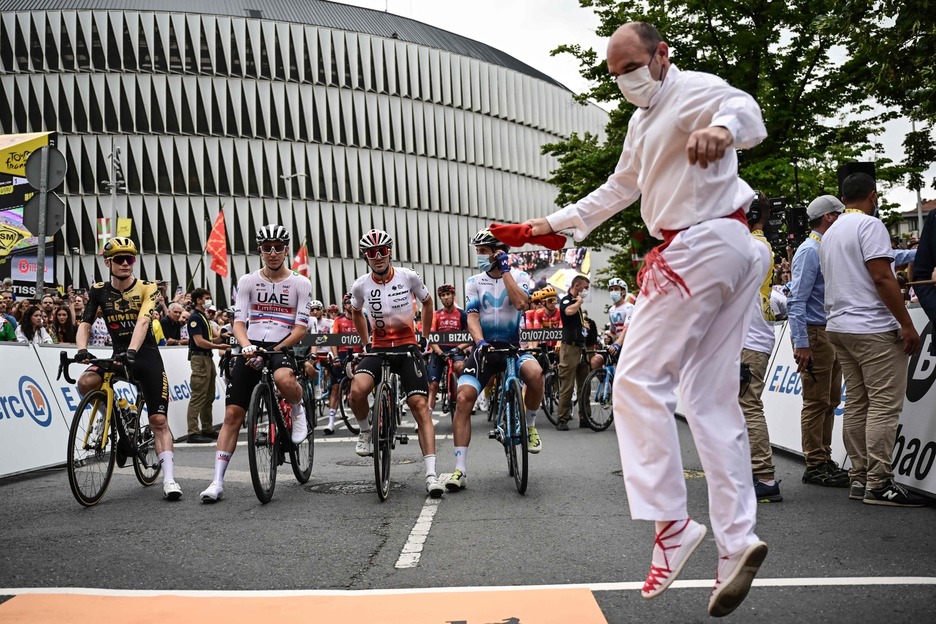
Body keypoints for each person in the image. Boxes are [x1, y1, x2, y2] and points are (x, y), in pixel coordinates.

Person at [525, 22, 770, 616]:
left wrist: (722, 129)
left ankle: (671, 524)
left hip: (700, 246)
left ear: (663, 55)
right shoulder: (641, 123)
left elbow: (748, 114)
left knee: (636, 382)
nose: (624, 81)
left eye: (631, 65)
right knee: (709, 399)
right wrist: (546, 226)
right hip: (731, 247)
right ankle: (736, 541)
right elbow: (618, 189)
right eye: (614, 74)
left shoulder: (694, 91)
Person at [819, 173, 925, 507]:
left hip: (839, 325)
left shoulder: (830, 231)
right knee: (882, 404)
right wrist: (906, 323)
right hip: (871, 325)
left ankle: (860, 476)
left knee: (858, 402)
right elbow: (882, 277)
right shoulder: (869, 225)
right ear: (873, 195)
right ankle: (879, 483)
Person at [199, 225, 312, 503]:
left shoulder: (300, 282)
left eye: (278, 247)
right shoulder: (248, 280)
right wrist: (246, 344)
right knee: (232, 415)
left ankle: (297, 410)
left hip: (281, 344)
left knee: (285, 380)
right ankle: (217, 481)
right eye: (266, 248)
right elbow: (238, 322)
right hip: (251, 345)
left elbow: (301, 327)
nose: (272, 253)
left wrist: (279, 348)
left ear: (286, 249)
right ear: (259, 250)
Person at [74, 237, 181, 500]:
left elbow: (144, 322)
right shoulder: (98, 290)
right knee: (85, 383)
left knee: (158, 421)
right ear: (107, 262)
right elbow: (85, 322)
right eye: (119, 259)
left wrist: (132, 351)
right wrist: (80, 349)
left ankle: (169, 479)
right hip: (118, 355)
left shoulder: (147, 287)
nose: (125, 263)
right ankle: (119, 410)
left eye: (129, 258)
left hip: (145, 357)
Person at [442, 228, 544, 492]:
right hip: (486, 348)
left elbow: (521, 303)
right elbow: (473, 316)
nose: (479, 256)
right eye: (477, 251)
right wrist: (479, 342)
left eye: (483, 251)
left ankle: (530, 426)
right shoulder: (474, 280)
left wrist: (506, 271)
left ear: (499, 251)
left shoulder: (521, 276)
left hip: (514, 348)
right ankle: (459, 470)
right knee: (463, 398)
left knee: (535, 375)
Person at [348, 228, 444, 498]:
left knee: (419, 406)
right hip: (378, 348)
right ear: (365, 256)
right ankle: (366, 432)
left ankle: (431, 475)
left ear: (390, 251)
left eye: (382, 251)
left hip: (407, 347)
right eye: (371, 252)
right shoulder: (360, 285)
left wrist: (424, 337)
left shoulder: (408, 276)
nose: (378, 256)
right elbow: (356, 311)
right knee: (357, 389)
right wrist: (365, 340)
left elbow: (427, 303)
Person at [788, 195, 849, 488]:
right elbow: (796, 299)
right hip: (814, 333)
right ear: (829, 218)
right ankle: (815, 462)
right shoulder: (810, 251)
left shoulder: (822, 247)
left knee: (831, 400)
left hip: (827, 332)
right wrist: (801, 342)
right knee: (816, 401)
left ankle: (822, 457)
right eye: (841, 214)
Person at [740, 195, 781, 503]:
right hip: (749, 337)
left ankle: (764, 477)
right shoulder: (756, 244)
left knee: (747, 405)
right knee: (739, 406)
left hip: (748, 341)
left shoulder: (751, 246)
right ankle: (750, 473)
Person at [185, 288, 230, 444]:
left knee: (209, 395)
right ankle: (193, 431)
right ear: (198, 300)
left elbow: (208, 341)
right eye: (207, 298)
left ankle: (207, 428)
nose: (209, 300)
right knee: (198, 396)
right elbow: (199, 342)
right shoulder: (194, 318)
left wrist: (221, 339)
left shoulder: (203, 317)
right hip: (200, 359)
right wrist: (218, 347)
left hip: (207, 358)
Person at [555, 274, 591, 430]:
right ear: (577, 286)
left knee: (584, 384)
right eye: (585, 288)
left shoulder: (577, 302)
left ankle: (585, 417)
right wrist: (578, 302)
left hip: (581, 346)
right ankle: (562, 418)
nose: (586, 291)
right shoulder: (567, 300)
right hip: (569, 348)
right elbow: (568, 312)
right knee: (567, 384)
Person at [427, 284, 470, 411]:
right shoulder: (436, 315)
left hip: (456, 350)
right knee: (433, 385)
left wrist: (458, 348)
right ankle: (428, 414)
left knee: (459, 366)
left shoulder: (462, 314)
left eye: (448, 295)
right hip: (439, 351)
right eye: (443, 296)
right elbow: (431, 336)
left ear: (453, 296)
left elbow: (470, 337)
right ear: (440, 299)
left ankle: (462, 397)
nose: (446, 298)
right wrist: (439, 352)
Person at [594, 277, 632, 368]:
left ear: (623, 292)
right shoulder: (611, 310)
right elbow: (613, 332)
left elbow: (626, 329)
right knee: (597, 362)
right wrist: (609, 338)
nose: (613, 292)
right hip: (619, 345)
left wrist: (617, 344)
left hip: (630, 344)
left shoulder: (629, 307)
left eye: (616, 289)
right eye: (611, 290)